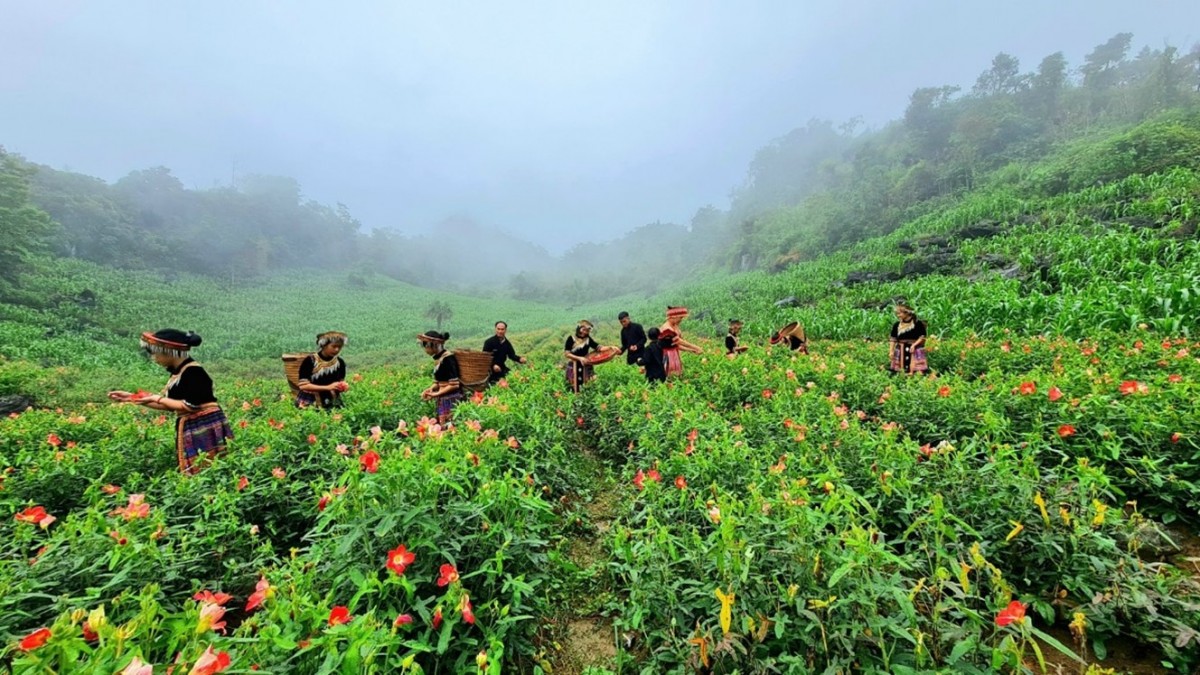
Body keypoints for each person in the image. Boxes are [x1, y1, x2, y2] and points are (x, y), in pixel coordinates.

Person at [108, 329, 233, 475]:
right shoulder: (179, 371)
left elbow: (190, 406)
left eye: (155, 353)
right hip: (194, 424)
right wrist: (130, 397)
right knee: (203, 467)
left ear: (169, 351)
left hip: (204, 425)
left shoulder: (194, 372)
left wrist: (156, 398)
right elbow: (169, 404)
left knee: (207, 469)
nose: (154, 358)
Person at [418, 331, 462, 424]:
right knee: (442, 424)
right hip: (443, 398)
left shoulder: (448, 359)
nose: (425, 350)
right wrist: (430, 390)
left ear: (433, 345)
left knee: (449, 425)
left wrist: (437, 393)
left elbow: (454, 385)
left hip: (451, 399)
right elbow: (437, 382)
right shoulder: (439, 358)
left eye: (426, 346)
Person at [296, 331, 349, 409]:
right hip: (310, 401)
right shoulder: (310, 361)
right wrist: (328, 387)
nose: (337, 349)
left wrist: (343, 386)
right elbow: (303, 385)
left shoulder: (340, 362)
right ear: (324, 346)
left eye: (339, 347)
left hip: (332, 399)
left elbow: (340, 380)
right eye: (334, 346)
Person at [658, 306, 703, 379]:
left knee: (677, 375)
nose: (681, 320)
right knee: (669, 375)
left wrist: (692, 350)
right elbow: (678, 341)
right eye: (680, 318)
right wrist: (696, 347)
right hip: (666, 355)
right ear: (673, 317)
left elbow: (676, 345)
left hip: (674, 353)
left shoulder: (675, 326)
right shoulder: (667, 329)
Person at [888, 304, 928, 374]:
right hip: (901, 348)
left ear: (907, 313)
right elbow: (893, 339)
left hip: (915, 348)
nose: (898, 315)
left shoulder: (918, 324)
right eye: (897, 314)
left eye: (899, 313)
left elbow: (922, 337)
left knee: (917, 372)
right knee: (900, 371)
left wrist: (914, 345)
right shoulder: (897, 325)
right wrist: (891, 351)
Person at [564, 320, 601, 393]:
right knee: (573, 385)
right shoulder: (571, 338)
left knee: (589, 383)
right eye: (583, 329)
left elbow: (598, 347)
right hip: (573, 364)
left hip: (585, 364)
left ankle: (587, 400)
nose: (585, 332)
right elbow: (567, 354)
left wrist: (611, 348)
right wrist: (579, 358)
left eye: (587, 330)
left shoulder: (588, 339)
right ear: (579, 328)